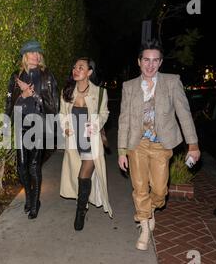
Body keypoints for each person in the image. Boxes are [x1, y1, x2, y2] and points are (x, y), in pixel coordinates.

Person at [117, 39, 200, 250]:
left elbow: (184, 113)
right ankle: (144, 226)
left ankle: (151, 209)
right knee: (139, 187)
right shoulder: (129, 86)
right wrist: (121, 150)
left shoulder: (172, 82)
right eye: (146, 60)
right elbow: (124, 119)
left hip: (162, 144)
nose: (150, 65)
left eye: (155, 60)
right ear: (139, 61)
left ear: (161, 62)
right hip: (137, 144)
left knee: (161, 191)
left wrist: (193, 144)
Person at [5, 40, 59, 219]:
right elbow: (10, 103)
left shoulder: (46, 76)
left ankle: (35, 203)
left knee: (34, 166)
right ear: (25, 55)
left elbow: (53, 103)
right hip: (21, 124)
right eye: (32, 52)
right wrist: (22, 94)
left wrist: (33, 94)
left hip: (39, 124)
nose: (36, 56)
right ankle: (29, 195)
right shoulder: (16, 76)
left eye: (38, 53)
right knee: (21, 167)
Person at [59, 57, 113, 231]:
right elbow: (62, 114)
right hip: (74, 140)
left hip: (91, 139)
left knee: (84, 175)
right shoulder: (66, 92)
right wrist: (65, 126)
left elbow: (104, 112)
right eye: (75, 67)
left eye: (81, 67)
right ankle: (82, 202)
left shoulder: (100, 93)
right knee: (76, 173)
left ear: (89, 72)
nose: (76, 70)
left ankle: (80, 211)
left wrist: (96, 124)